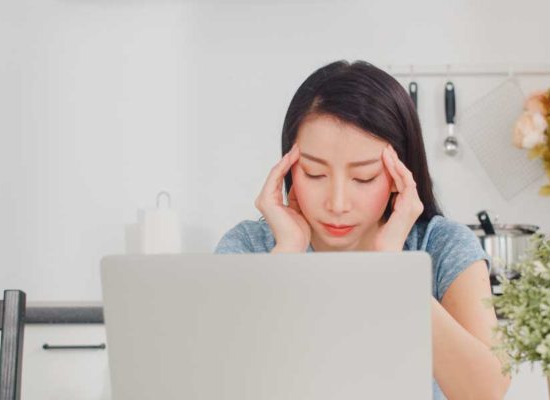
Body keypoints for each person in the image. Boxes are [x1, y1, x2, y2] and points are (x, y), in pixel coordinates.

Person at [215, 60, 511, 400]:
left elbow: (486, 392)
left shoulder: (441, 246)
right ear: (289, 169)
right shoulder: (249, 247)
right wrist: (285, 262)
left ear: (400, 174)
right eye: (314, 173)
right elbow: (225, 383)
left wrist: (394, 267)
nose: (338, 203)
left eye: (364, 177)